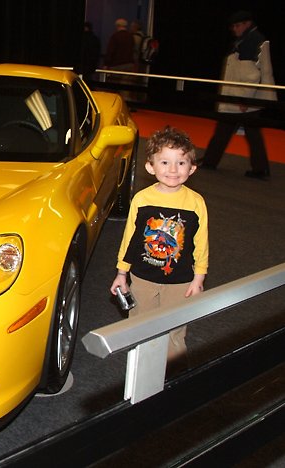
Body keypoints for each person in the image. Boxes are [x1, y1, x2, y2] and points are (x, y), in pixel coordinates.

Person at [110, 127, 208, 374]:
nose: (173, 170)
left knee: (175, 328)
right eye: (165, 162)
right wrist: (122, 273)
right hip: (143, 277)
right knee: (140, 325)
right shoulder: (142, 199)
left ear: (192, 168)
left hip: (180, 280)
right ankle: (140, 373)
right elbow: (130, 239)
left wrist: (199, 277)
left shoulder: (196, 203)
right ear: (150, 167)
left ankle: (174, 375)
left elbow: (201, 242)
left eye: (181, 163)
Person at [201, 10, 277, 180]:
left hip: (243, 98)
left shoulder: (250, 42)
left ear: (247, 24)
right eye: (233, 26)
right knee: (240, 130)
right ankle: (211, 161)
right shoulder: (252, 39)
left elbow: (251, 75)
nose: (234, 29)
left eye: (237, 26)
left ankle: (212, 161)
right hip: (246, 97)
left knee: (234, 129)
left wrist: (244, 99)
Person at [104, 18, 136, 102]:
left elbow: (110, 51)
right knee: (125, 88)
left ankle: (114, 104)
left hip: (116, 65)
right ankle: (126, 104)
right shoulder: (130, 36)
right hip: (129, 64)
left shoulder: (115, 36)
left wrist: (106, 64)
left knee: (113, 87)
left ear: (117, 26)